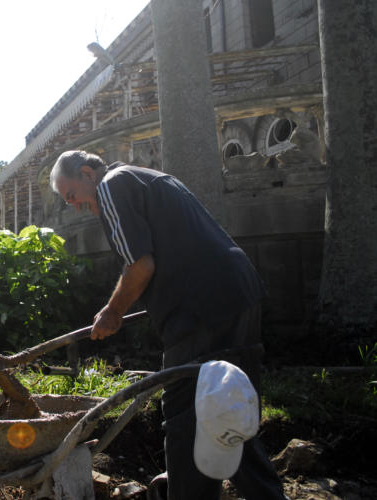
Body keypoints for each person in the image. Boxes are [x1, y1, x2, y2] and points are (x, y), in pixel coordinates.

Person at [49, 151, 286, 500]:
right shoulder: (146, 177)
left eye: (71, 195)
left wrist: (112, 312)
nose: (74, 206)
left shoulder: (111, 187)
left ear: (87, 173)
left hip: (200, 307)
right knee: (228, 409)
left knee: (184, 418)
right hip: (238, 294)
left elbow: (140, 266)